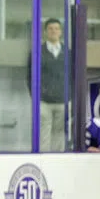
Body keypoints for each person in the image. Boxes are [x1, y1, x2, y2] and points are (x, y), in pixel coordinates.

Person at [28, 18, 69, 152]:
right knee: (43, 134)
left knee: (60, 134)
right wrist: (36, 97)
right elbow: (30, 76)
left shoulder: (67, 52)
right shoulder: (37, 51)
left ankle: (58, 163)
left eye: (56, 29)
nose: (54, 31)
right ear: (45, 32)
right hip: (43, 101)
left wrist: (69, 96)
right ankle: (43, 163)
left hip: (62, 101)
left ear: (61, 32)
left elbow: (74, 75)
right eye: (50, 29)